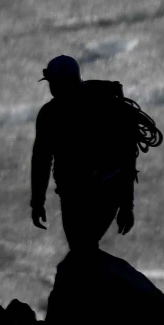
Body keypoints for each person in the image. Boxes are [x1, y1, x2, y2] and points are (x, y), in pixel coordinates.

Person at [30, 54, 134, 255]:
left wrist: (37, 203)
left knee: (82, 250)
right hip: (88, 194)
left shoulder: (50, 114)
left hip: (88, 195)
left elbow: (41, 161)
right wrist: (126, 206)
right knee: (82, 249)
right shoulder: (103, 105)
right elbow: (127, 158)